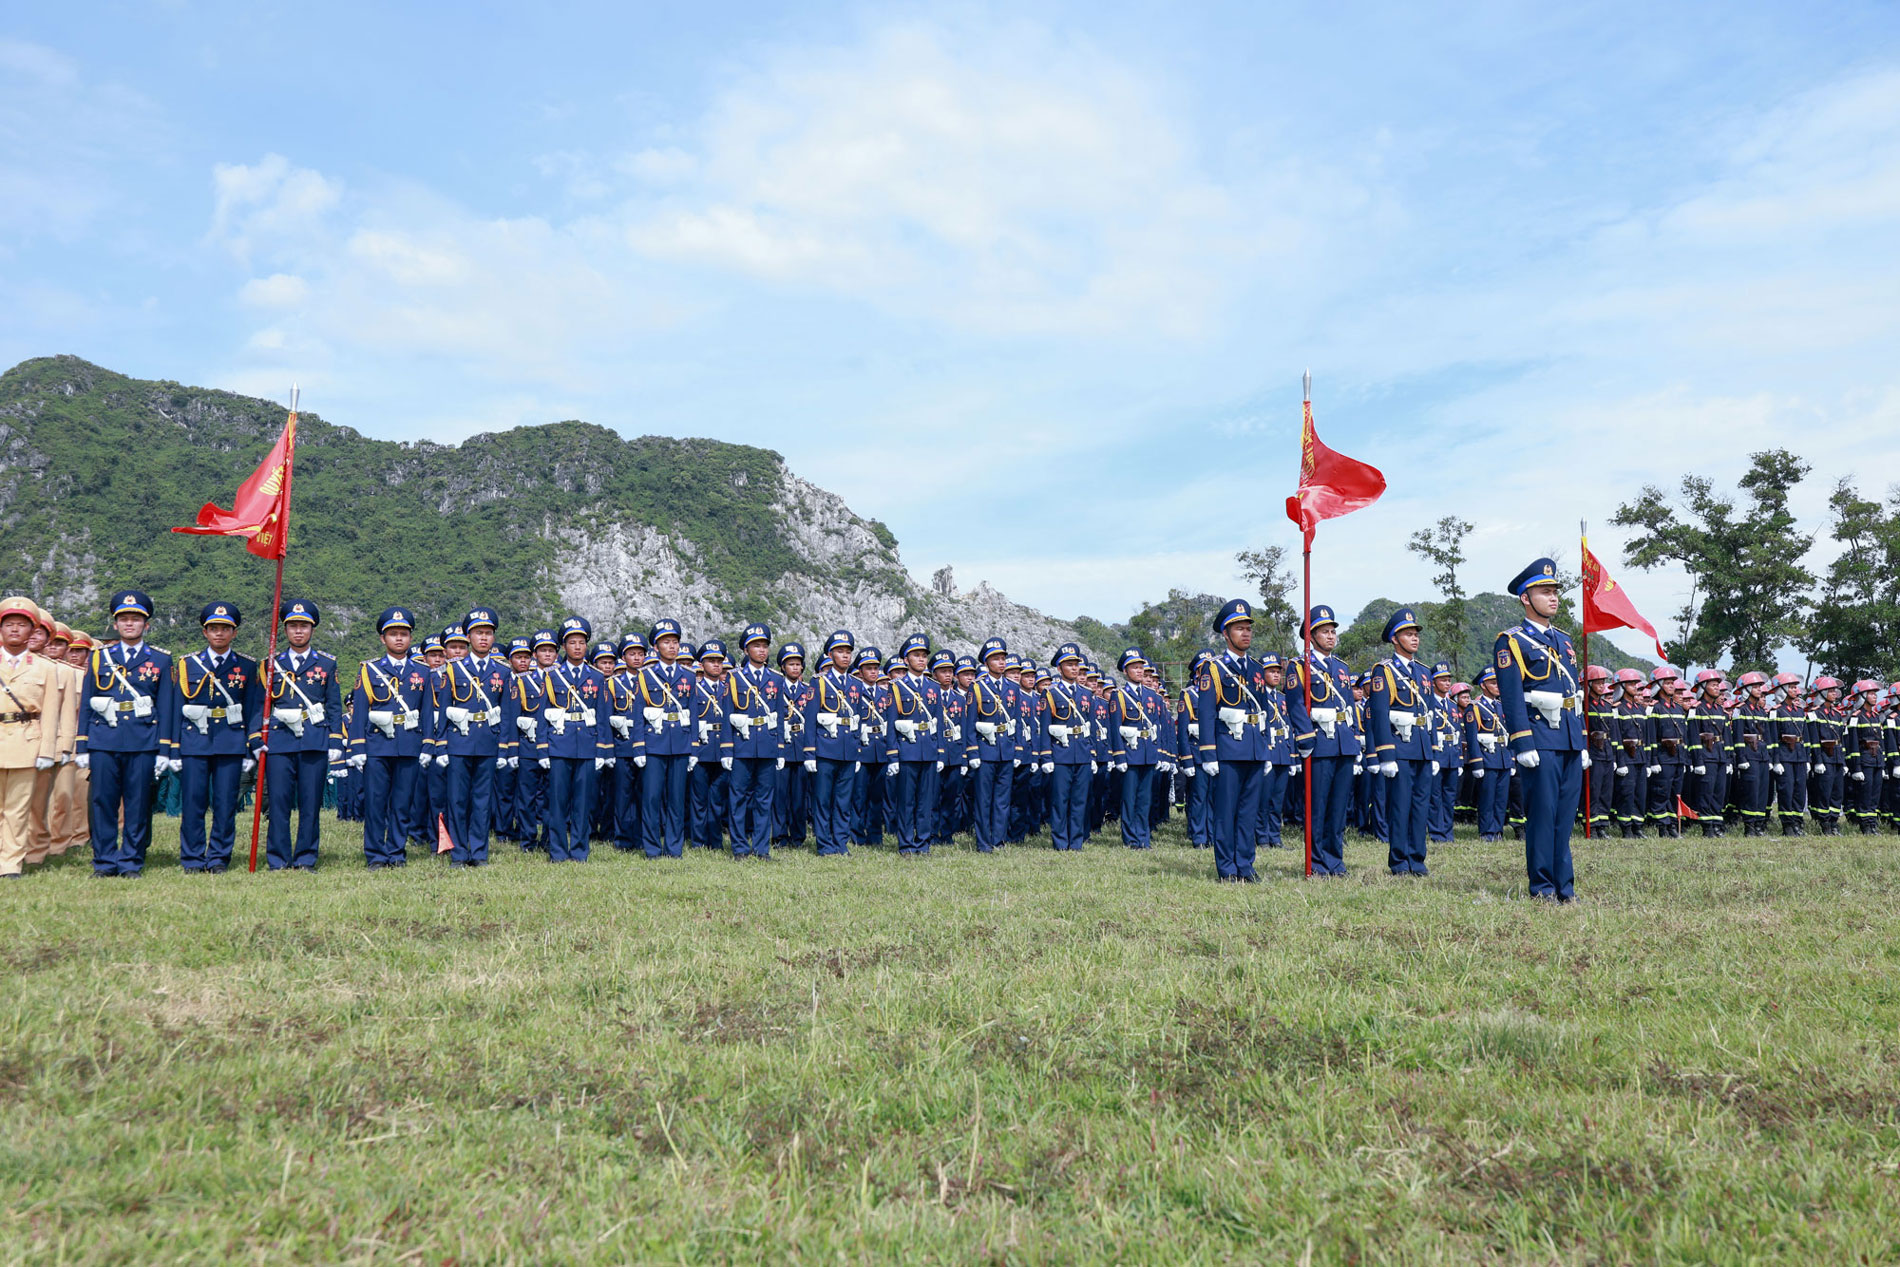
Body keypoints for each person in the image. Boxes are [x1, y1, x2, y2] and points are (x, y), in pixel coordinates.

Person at [1493, 558, 1585, 902]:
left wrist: (1583, 740)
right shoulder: (1512, 641)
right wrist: (1522, 741)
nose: (1553, 598)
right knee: (1543, 816)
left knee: (1564, 819)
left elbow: (1574, 694)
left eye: (1554, 591)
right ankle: (1543, 887)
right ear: (1525, 598)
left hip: (1569, 736)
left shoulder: (1564, 640)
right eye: (1545, 592)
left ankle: (1566, 886)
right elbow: (1513, 696)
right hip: (1540, 736)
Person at [76, 590, 178, 877]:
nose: (129, 624)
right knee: (102, 803)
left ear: (146, 625)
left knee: (138, 804)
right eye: (124, 619)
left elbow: (166, 706)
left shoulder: (160, 660)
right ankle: (105, 861)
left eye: (135, 619)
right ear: (116, 624)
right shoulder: (98, 657)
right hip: (104, 739)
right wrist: (82, 745)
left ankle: (132, 860)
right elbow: (86, 702)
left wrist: (164, 749)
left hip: (143, 740)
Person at [347, 607, 433, 869]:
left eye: (404, 634)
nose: (399, 639)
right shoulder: (369, 670)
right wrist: (357, 746)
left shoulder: (423, 672)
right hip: (377, 744)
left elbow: (427, 711)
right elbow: (360, 709)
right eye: (393, 634)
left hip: (409, 743)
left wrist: (428, 744)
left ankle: (396, 851)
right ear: (382, 639)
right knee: (375, 801)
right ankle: (375, 854)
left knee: (402, 802)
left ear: (410, 638)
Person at [1195, 600, 1270, 883]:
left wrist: (1264, 749)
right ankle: (1227, 868)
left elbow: (1262, 712)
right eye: (1240, 629)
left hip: (1252, 748)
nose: (1246, 634)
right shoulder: (1213, 669)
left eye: (1248, 628)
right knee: (1226, 813)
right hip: (1227, 749)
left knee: (1249, 813)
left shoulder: (1257, 667)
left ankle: (1245, 865)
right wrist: (1208, 754)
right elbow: (1205, 713)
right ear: (1226, 634)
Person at [263, 599, 341, 871]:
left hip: (313, 739)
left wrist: (335, 740)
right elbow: (260, 706)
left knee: (310, 805)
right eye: (293, 626)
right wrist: (256, 740)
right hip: (280, 740)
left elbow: (333, 705)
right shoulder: (271, 664)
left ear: (312, 629)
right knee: (279, 805)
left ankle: (306, 858)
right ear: (285, 630)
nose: (298, 631)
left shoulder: (327, 664)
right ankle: (278, 859)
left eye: (304, 626)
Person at [435, 607, 515, 866]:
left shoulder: (503, 672)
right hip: (459, 741)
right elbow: (444, 711)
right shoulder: (453, 669)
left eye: (488, 633)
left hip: (488, 742)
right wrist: (442, 746)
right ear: (468, 637)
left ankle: (479, 852)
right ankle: (459, 853)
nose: (484, 638)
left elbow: (507, 714)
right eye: (478, 633)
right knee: (457, 799)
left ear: (493, 638)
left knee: (482, 801)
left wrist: (504, 748)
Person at [1285, 605, 1362, 877]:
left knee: (1339, 807)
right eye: (1324, 631)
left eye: (1332, 631)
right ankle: (1316, 862)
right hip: (1319, 743)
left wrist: (1354, 739)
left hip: (1343, 742)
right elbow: (1295, 704)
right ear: (1310, 635)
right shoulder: (1299, 665)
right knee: (1317, 807)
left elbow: (1350, 708)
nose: (1331, 636)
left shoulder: (1341, 667)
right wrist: (1306, 739)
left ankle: (1335, 861)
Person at [1366, 608, 1435, 877]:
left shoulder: (1423, 672)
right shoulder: (1384, 671)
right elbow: (1380, 715)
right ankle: (1398, 860)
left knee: (1420, 806)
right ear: (1395, 639)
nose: (1415, 638)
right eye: (1408, 634)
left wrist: (1433, 748)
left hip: (1421, 746)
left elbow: (1429, 713)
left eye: (1416, 633)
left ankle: (1417, 858)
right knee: (1400, 806)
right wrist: (1386, 755)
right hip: (1399, 747)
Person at [0, 596, 64, 878]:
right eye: (9, 624)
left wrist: (47, 750)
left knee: (18, 809)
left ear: (32, 631)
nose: (15, 630)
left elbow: (51, 712)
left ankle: (10, 863)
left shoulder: (46, 668)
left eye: (21, 625)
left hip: (26, 742)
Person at [541, 616, 611, 862]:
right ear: (564, 646)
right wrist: (542, 750)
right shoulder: (552, 677)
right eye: (572, 642)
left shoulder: (597, 677)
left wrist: (603, 750)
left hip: (588, 745)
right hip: (559, 744)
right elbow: (542, 716)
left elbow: (603, 717)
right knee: (558, 802)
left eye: (582, 642)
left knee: (583, 803)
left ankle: (580, 850)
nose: (578, 647)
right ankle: (558, 851)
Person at [723, 624, 788, 859]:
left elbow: (779, 714)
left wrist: (780, 748)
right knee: (738, 797)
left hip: (768, 744)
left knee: (764, 799)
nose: (761, 651)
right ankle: (739, 847)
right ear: (746, 649)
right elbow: (727, 714)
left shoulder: (776, 679)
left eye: (765, 646)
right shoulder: (734, 678)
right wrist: (727, 750)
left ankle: (762, 848)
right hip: (742, 744)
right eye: (756, 646)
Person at [632, 620, 695, 858]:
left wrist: (694, 749)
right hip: (654, 744)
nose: (672, 647)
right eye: (666, 642)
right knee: (651, 798)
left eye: (675, 642)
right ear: (656, 647)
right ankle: (651, 848)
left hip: (680, 743)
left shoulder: (688, 676)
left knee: (676, 800)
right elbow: (638, 713)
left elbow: (693, 714)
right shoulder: (645, 676)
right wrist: (638, 747)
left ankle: (674, 848)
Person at [801, 630, 864, 856]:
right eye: (840, 651)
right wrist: (809, 753)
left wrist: (857, 750)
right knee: (823, 800)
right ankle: (824, 844)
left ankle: (841, 842)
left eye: (848, 652)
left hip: (848, 749)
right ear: (830, 654)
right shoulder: (819, 682)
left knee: (844, 800)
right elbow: (809, 721)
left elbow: (857, 719)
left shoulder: (856, 684)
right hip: (825, 749)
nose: (845, 656)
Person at [1112, 648, 1170, 849]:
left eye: (1141, 667)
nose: (1139, 671)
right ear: (1125, 671)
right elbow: (1114, 729)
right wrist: (1119, 757)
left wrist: (1160, 753)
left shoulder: (1152, 696)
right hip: (1130, 752)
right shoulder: (1118, 696)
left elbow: (1158, 726)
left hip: (1148, 752)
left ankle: (1143, 836)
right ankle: (1130, 838)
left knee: (1145, 799)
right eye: (1134, 668)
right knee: (1129, 799)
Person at [966, 638, 1019, 853]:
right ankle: (983, 842)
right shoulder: (977, 688)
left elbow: (1016, 721)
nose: (1001, 662)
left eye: (1003, 658)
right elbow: (969, 723)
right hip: (985, 750)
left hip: (1005, 748)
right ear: (987, 662)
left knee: (1002, 800)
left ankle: (999, 840)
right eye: (996, 659)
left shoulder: (1012, 688)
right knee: (984, 799)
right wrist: (972, 751)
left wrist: (1017, 749)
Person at [776, 642, 813, 848]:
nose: (795, 668)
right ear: (783, 667)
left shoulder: (808, 690)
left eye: (798, 664)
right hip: (782, 746)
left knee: (800, 796)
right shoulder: (775, 688)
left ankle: (798, 836)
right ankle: (780, 835)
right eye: (791, 664)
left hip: (801, 747)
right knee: (780, 795)